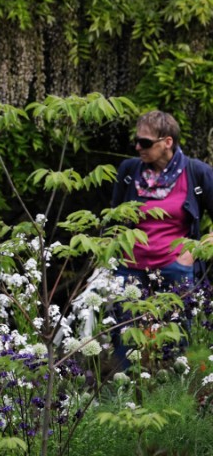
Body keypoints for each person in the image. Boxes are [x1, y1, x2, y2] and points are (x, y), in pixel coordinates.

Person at [110, 110, 213, 367]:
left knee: (177, 344)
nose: (138, 147)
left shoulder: (196, 172)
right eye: (136, 141)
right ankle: (124, 387)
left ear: (167, 142)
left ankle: (174, 387)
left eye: (145, 142)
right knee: (126, 342)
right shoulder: (129, 171)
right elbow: (114, 218)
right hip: (130, 268)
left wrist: (193, 252)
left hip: (175, 269)